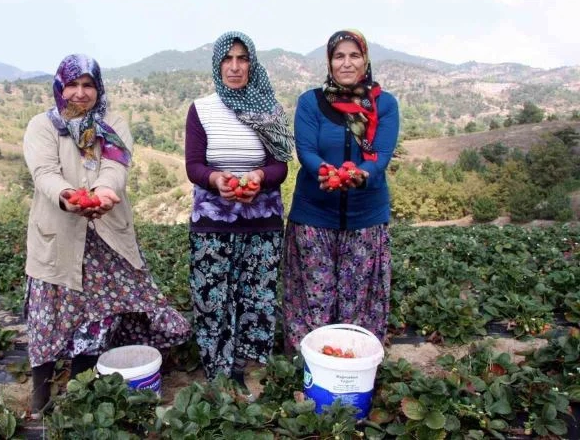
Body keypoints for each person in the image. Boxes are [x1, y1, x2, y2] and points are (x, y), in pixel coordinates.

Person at [23, 54, 191, 415]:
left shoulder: (112, 123)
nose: (80, 93)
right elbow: (44, 172)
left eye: (89, 86)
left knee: (97, 316)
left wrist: (102, 194)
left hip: (107, 236)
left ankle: (80, 385)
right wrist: (70, 198)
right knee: (48, 316)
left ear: (99, 90)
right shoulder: (42, 126)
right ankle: (41, 392)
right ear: (59, 87)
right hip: (57, 238)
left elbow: (116, 166)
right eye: (73, 84)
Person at [184, 31, 293, 387]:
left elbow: (281, 166)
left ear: (252, 63)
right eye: (227, 59)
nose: (234, 66)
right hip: (212, 220)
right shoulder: (202, 109)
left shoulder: (269, 109)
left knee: (257, 296)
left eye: (242, 58)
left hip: (262, 220)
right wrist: (218, 180)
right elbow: (194, 166)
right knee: (213, 296)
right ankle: (217, 372)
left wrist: (259, 178)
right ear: (217, 66)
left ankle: (247, 369)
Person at [283, 29, 399, 352]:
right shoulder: (311, 102)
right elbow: (305, 150)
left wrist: (362, 174)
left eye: (354, 55)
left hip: (366, 218)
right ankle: (310, 371)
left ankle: (352, 368)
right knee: (313, 302)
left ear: (365, 60)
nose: (346, 63)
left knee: (357, 306)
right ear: (330, 62)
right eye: (339, 56)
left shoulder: (383, 105)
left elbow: (381, 154)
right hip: (313, 217)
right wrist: (326, 172)